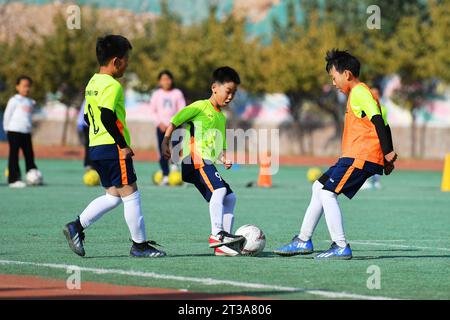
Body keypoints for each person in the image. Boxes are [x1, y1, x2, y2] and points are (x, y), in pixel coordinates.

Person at [274, 49, 397, 260]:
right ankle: (303, 240)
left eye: (334, 77)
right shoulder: (361, 94)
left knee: (327, 193)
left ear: (347, 74)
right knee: (318, 187)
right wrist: (386, 158)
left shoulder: (359, 92)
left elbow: (378, 120)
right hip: (354, 156)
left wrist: (387, 153)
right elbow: (384, 124)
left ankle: (340, 245)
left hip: (361, 156)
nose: (333, 83)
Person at [63, 35, 166, 258]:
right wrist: (123, 145)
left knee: (113, 196)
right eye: (126, 59)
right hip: (112, 147)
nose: (127, 64)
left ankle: (76, 226)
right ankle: (139, 245)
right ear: (116, 61)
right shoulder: (112, 85)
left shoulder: (92, 82)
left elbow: (89, 119)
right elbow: (107, 115)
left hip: (97, 147)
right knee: (131, 195)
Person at [161, 66, 244, 256]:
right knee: (220, 190)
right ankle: (218, 236)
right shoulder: (200, 106)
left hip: (206, 161)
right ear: (215, 87)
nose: (230, 97)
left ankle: (224, 246)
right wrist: (166, 142)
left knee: (230, 197)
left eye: (234, 93)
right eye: (228, 91)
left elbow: (219, 145)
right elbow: (175, 120)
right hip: (193, 158)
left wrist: (224, 158)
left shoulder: (221, 118)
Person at [3, 75, 41, 188]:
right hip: (14, 131)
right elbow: (7, 116)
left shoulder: (30, 102)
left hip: (26, 132)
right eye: (24, 86)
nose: (27, 89)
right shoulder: (14, 100)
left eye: (28, 86)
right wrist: (7, 129)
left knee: (29, 155)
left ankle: (32, 176)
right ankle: (13, 179)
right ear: (17, 87)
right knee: (14, 155)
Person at [149, 70, 186, 185]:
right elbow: (153, 110)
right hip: (161, 127)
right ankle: (165, 175)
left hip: (175, 126)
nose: (166, 82)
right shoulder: (157, 94)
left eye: (168, 79)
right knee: (163, 151)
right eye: (163, 79)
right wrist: (159, 123)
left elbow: (182, 109)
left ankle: (175, 170)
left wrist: (173, 124)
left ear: (172, 80)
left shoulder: (177, 93)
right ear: (159, 81)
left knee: (176, 149)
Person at [360, 84, 388, 190]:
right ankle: (365, 181)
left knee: (378, 161)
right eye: (372, 93)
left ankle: (375, 182)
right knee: (365, 159)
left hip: (378, 138)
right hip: (367, 138)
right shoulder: (365, 108)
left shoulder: (383, 109)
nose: (373, 95)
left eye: (375, 93)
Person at [77, 99, 93, 170]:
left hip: (94, 125)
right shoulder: (87, 99)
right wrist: (80, 123)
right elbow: (82, 112)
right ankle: (88, 163)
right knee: (88, 144)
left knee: (94, 145)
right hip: (86, 126)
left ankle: (94, 163)